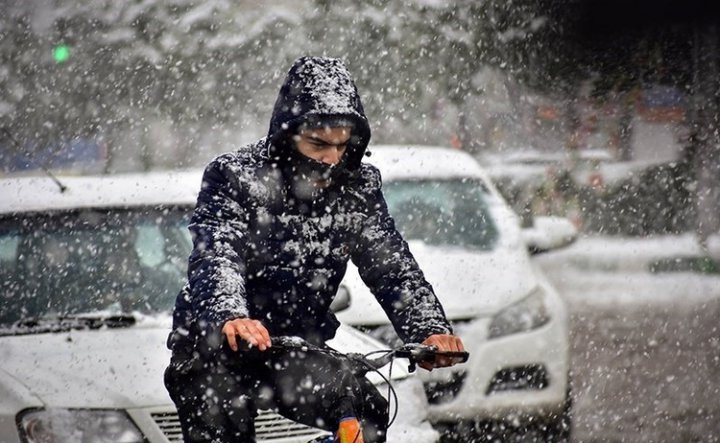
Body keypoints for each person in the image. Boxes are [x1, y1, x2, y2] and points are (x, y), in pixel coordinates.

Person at [164, 56, 466, 443]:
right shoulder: (234, 175)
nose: (332, 157)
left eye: (343, 145)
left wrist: (430, 329)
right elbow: (218, 251)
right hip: (215, 347)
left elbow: (392, 267)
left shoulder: (358, 187)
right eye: (319, 144)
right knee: (222, 425)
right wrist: (231, 314)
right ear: (286, 135)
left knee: (365, 408)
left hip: (292, 346)